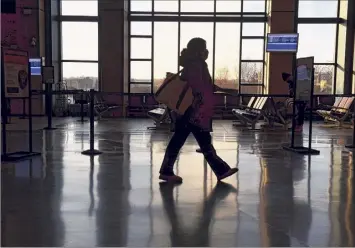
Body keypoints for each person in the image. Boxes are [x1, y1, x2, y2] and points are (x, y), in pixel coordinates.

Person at [159, 37, 238, 183]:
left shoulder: (192, 63)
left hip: (190, 110)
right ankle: (167, 171)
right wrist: (199, 108)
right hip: (193, 111)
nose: (206, 51)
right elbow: (198, 87)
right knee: (196, 140)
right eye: (204, 48)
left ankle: (221, 170)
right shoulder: (197, 64)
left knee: (190, 140)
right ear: (198, 50)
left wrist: (223, 89)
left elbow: (205, 85)